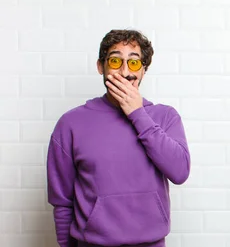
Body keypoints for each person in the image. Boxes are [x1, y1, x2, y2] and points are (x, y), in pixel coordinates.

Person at [46, 29, 191, 247]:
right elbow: (62, 203)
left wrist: (137, 113)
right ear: (100, 66)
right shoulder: (71, 124)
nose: (125, 72)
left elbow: (180, 172)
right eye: (115, 61)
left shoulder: (165, 117)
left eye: (133, 63)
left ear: (144, 70)